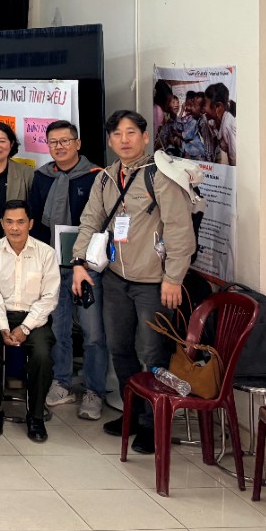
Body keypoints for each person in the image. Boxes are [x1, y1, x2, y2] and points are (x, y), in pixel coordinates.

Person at [71, 109, 196, 455]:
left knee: (152, 352)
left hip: (154, 283)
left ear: (145, 137)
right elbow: (90, 221)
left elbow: (180, 231)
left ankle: (153, 423)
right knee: (120, 348)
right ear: (110, 141)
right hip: (116, 279)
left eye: (130, 133)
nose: (124, 140)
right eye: (117, 134)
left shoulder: (161, 176)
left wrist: (173, 278)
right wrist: (79, 262)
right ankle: (134, 413)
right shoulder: (106, 178)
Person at [28, 121, 107, 421]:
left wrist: (82, 261)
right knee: (58, 329)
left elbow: (102, 221)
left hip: (86, 267)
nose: (59, 147)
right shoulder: (42, 177)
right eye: (53, 142)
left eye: (65, 141)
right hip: (52, 265)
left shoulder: (96, 176)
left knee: (92, 332)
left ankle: (94, 390)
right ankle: (61, 383)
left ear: (78, 143)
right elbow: (35, 220)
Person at [0, 201, 60, 443]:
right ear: (2, 223)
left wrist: (25, 327)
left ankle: (36, 415)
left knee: (42, 355)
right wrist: (3, 327)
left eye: (20, 222)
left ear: (30, 224)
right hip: (0, 314)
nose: (15, 228)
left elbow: (49, 297)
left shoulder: (46, 253)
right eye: (9, 222)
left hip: (35, 317)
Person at [205, 81, 237, 165]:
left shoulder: (229, 125)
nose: (204, 109)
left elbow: (234, 161)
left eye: (205, 105)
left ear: (218, 107)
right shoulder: (216, 121)